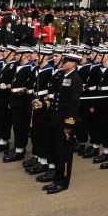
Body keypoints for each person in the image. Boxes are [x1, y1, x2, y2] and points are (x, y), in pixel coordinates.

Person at [33, 52, 82, 194]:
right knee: (56, 151)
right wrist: (43, 104)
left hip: (65, 123)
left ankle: (63, 182)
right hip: (56, 120)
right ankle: (57, 177)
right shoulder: (63, 77)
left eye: (66, 61)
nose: (63, 63)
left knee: (64, 153)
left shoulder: (75, 79)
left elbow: (74, 105)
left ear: (73, 64)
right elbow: (56, 99)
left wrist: (68, 124)